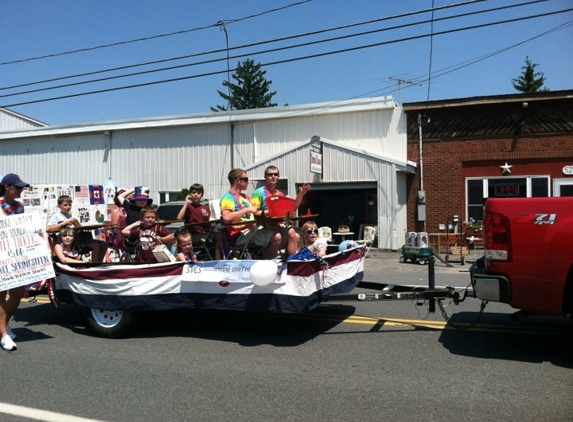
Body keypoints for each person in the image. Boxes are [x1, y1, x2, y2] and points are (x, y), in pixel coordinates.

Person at [220, 168, 281, 259]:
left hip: (253, 230)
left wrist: (277, 211)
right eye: (246, 179)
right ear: (238, 180)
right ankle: (268, 266)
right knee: (276, 237)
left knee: (287, 233)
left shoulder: (245, 197)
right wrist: (247, 209)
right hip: (240, 235)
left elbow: (256, 212)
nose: (248, 182)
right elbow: (226, 218)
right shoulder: (228, 197)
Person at [250, 165, 311, 256]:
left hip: (277, 225)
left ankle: (289, 262)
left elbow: (292, 209)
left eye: (276, 174)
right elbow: (254, 212)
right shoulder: (258, 193)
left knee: (294, 234)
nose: (273, 176)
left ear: (278, 177)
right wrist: (271, 212)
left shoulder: (280, 194)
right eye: (270, 174)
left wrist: (301, 194)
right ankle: (270, 263)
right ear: (265, 177)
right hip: (263, 227)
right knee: (279, 236)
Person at [0, 173, 30, 351]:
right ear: (7, 187)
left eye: (22, 188)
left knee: (18, 293)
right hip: (1, 255)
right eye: (18, 187)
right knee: (1, 296)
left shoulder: (19, 207)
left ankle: (4, 324)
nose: (21, 190)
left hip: (16, 255)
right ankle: (3, 335)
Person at [46, 195, 108, 263]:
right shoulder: (56, 216)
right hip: (68, 242)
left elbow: (80, 228)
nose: (68, 207)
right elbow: (48, 229)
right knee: (95, 245)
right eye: (65, 205)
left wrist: (76, 222)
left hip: (76, 239)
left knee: (103, 244)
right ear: (59, 206)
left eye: (69, 205)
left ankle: (98, 264)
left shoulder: (71, 215)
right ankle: (94, 266)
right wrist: (64, 223)